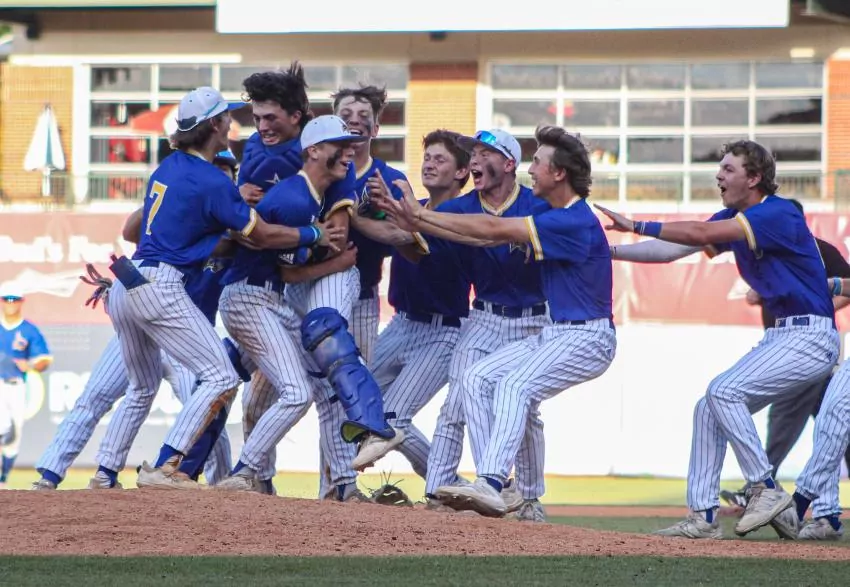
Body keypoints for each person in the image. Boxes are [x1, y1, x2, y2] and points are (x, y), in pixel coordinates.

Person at [98, 86, 342, 490]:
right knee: (221, 376)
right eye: (226, 117)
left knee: (142, 386)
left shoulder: (168, 166)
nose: (232, 122)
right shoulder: (213, 180)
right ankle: (167, 467)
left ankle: (105, 474)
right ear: (214, 125)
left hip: (128, 278)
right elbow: (260, 236)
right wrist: (312, 233)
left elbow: (168, 232)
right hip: (161, 282)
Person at [597, 139, 839, 539]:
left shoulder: (777, 212)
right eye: (720, 168)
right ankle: (703, 517)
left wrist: (636, 224)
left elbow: (698, 231)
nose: (718, 175)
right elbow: (672, 249)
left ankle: (764, 488)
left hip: (810, 335)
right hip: (784, 335)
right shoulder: (734, 216)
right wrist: (607, 251)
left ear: (754, 178)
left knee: (723, 391)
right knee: (708, 408)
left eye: (728, 168)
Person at [374, 125, 617, 518]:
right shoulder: (559, 215)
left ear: (559, 173)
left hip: (585, 336)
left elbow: (493, 229)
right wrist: (418, 219)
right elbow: (485, 235)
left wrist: (419, 215)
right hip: (550, 332)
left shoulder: (568, 219)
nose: (531, 169)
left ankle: (492, 483)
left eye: (538, 162)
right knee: (475, 379)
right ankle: (496, 490)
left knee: (514, 387)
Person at [214, 115, 382, 494]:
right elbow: (280, 264)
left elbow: (287, 272)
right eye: (340, 146)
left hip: (270, 298)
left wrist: (332, 261)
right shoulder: (294, 199)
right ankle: (243, 472)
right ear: (314, 151)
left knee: (323, 380)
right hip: (248, 297)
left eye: (351, 146)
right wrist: (330, 255)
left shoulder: (312, 196)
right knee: (297, 392)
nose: (349, 153)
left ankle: (342, 483)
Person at [350, 129, 471, 481]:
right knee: (358, 401)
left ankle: (444, 483)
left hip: (442, 331)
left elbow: (401, 238)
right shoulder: (411, 207)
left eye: (440, 159)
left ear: (461, 172)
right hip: (401, 324)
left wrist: (354, 215)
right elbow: (388, 229)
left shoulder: (460, 215)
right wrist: (373, 205)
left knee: (392, 418)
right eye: (427, 157)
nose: (429, 164)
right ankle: (446, 482)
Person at [718, 199, 850, 510]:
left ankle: (760, 487)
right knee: (834, 422)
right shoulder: (773, 252)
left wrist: (822, 306)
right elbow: (762, 291)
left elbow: (847, 286)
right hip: (783, 342)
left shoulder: (818, 250)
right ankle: (815, 506)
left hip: (805, 346)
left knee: (784, 416)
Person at [0, 283, 51, 487]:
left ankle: (3, 479)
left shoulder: (28, 330)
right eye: (7, 299)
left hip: (16, 385)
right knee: (3, 427)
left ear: (21, 302)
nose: (10, 303)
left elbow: (44, 359)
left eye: (14, 299)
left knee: (14, 435)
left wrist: (29, 364)